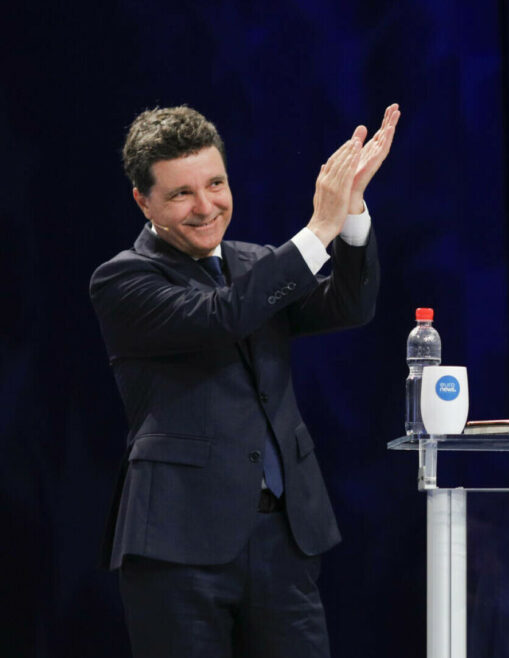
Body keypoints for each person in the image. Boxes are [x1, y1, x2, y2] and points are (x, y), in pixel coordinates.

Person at [90, 103, 400, 657]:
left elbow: (349, 305)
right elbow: (223, 316)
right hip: (178, 545)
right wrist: (318, 228)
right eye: (181, 193)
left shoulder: (257, 264)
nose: (206, 206)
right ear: (143, 201)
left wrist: (351, 210)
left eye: (216, 183)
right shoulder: (122, 280)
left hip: (285, 538)